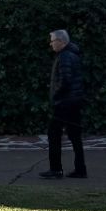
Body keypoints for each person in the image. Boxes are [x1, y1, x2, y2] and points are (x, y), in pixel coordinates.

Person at [40, 29, 87, 179]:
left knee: (53, 134)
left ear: (61, 41)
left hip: (64, 103)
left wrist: (55, 96)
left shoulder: (65, 56)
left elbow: (65, 81)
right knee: (75, 136)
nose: (51, 43)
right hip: (74, 102)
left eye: (53, 40)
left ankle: (55, 169)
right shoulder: (73, 55)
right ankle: (80, 169)